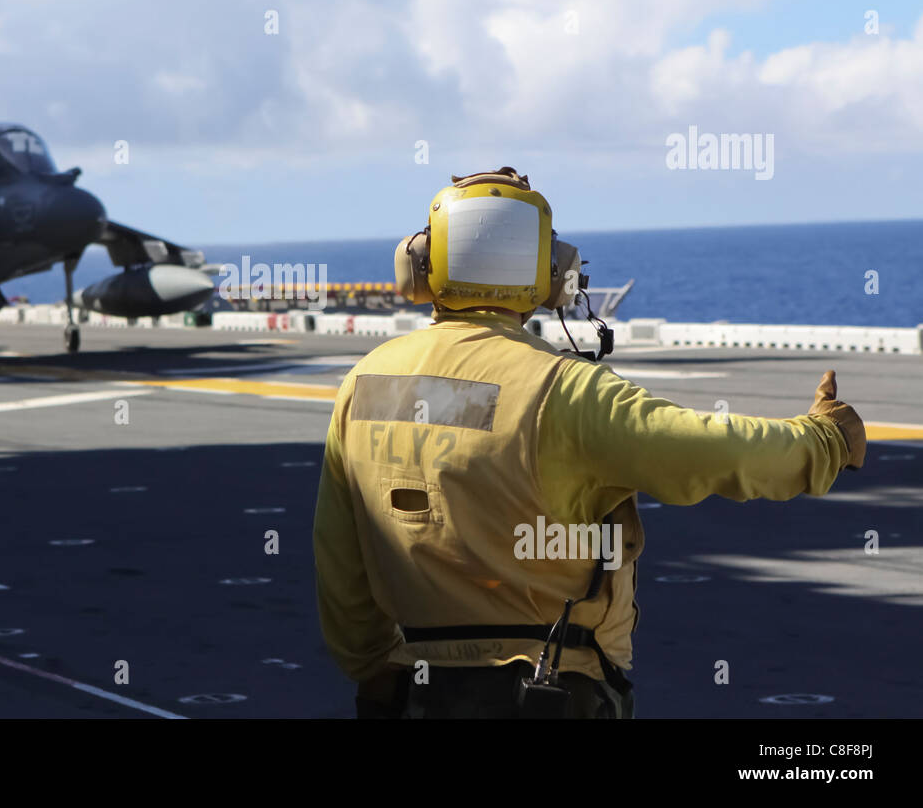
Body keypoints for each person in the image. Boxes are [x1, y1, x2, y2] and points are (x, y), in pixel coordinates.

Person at [312, 169, 866, 719]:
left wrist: (377, 672)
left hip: (414, 693)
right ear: (552, 276)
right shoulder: (567, 392)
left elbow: (340, 561)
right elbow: (714, 450)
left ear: (420, 265)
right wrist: (822, 442)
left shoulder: (363, 383)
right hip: (549, 691)